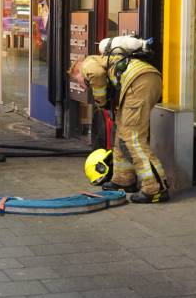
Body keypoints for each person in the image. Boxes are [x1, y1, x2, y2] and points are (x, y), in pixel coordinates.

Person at [69, 36, 169, 204]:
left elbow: (96, 74)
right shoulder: (106, 60)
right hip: (142, 81)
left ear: (77, 71)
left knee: (133, 138)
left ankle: (156, 188)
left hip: (138, 84)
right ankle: (123, 179)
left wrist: (101, 100)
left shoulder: (87, 63)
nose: (83, 86)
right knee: (121, 133)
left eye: (79, 82)